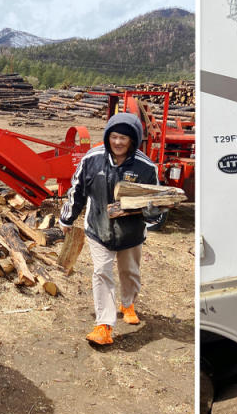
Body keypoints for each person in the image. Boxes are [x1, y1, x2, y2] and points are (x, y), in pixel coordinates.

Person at [60, 112, 161, 346]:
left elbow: (156, 201)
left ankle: (127, 303)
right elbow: (77, 191)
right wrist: (67, 219)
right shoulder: (92, 159)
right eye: (114, 137)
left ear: (133, 141)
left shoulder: (145, 167)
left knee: (130, 273)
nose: (118, 142)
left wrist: (144, 214)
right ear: (108, 137)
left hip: (131, 234)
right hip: (98, 228)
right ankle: (103, 325)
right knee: (101, 272)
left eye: (123, 139)